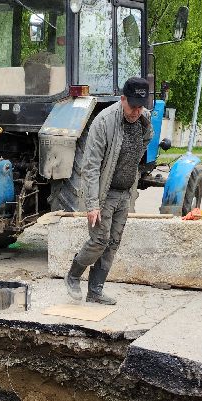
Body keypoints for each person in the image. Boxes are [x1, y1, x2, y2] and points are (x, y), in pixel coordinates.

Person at [65, 77, 153, 305]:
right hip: (104, 193)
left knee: (113, 243)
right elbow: (90, 166)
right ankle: (73, 275)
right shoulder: (103, 122)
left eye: (140, 107)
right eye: (132, 106)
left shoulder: (144, 119)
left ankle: (95, 290)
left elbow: (146, 140)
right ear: (122, 99)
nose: (136, 111)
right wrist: (92, 204)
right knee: (99, 240)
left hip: (125, 192)